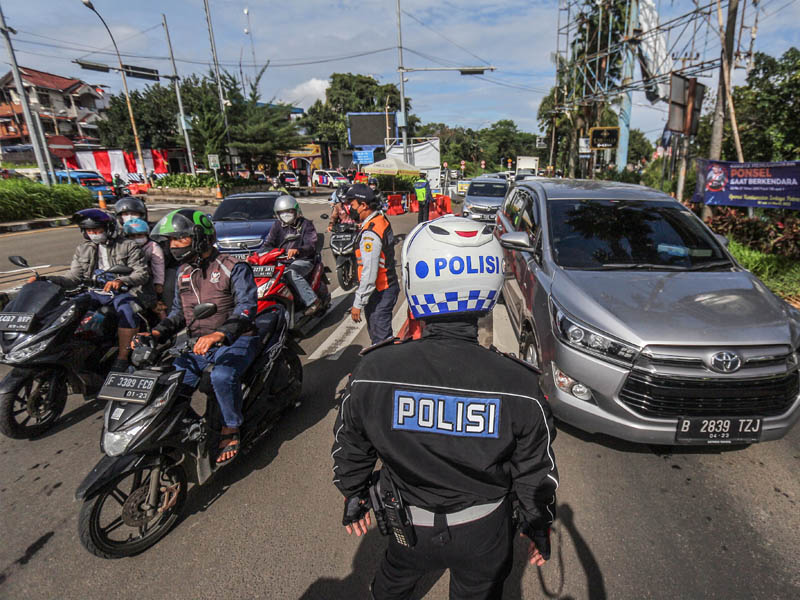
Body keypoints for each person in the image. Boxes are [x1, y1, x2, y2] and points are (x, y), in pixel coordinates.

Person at [332, 217, 559, 599]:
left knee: (391, 586)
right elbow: (535, 468)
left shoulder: (374, 372)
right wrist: (538, 524)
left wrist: (353, 492)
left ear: (415, 279)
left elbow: (351, 441)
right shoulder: (518, 384)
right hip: (484, 529)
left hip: (408, 525)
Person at [146, 209, 258, 465]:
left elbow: (246, 307)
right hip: (198, 344)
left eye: (179, 238)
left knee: (221, 375)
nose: (173, 246)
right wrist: (155, 333)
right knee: (170, 383)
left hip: (237, 339)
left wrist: (220, 333)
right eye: (170, 241)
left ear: (200, 237)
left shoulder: (233, 267)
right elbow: (178, 313)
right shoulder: (183, 272)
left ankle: (231, 427)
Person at [34, 209, 149, 372]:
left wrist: (121, 280)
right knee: (68, 310)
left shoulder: (128, 246)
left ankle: (122, 358)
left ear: (108, 229)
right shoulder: (83, 249)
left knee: (127, 312)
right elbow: (73, 277)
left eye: (97, 230)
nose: (94, 234)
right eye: (89, 231)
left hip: (123, 292)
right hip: (95, 292)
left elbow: (141, 273)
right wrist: (48, 279)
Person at [347, 183, 399, 345]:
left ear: (363, 205)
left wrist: (358, 302)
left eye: (352, 205)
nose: (350, 209)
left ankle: (385, 360)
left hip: (380, 291)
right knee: (380, 336)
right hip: (386, 286)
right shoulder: (379, 219)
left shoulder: (371, 233)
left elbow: (369, 272)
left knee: (380, 340)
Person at [264, 195, 323, 316]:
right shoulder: (277, 226)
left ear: (296, 211)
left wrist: (298, 250)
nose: (286, 215)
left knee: (291, 273)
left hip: (303, 260)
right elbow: (268, 243)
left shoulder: (306, 224)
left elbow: (311, 245)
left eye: (289, 211)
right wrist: (257, 255)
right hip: (282, 261)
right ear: (277, 214)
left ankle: (313, 301)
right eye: (282, 212)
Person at [123, 217, 166, 316]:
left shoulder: (153, 246)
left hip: (147, 278)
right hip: (128, 278)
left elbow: (158, 265)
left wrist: (158, 283)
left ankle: (164, 320)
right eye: (132, 236)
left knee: (154, 303)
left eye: (139, 235)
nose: (136, 238)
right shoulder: (123, 247)